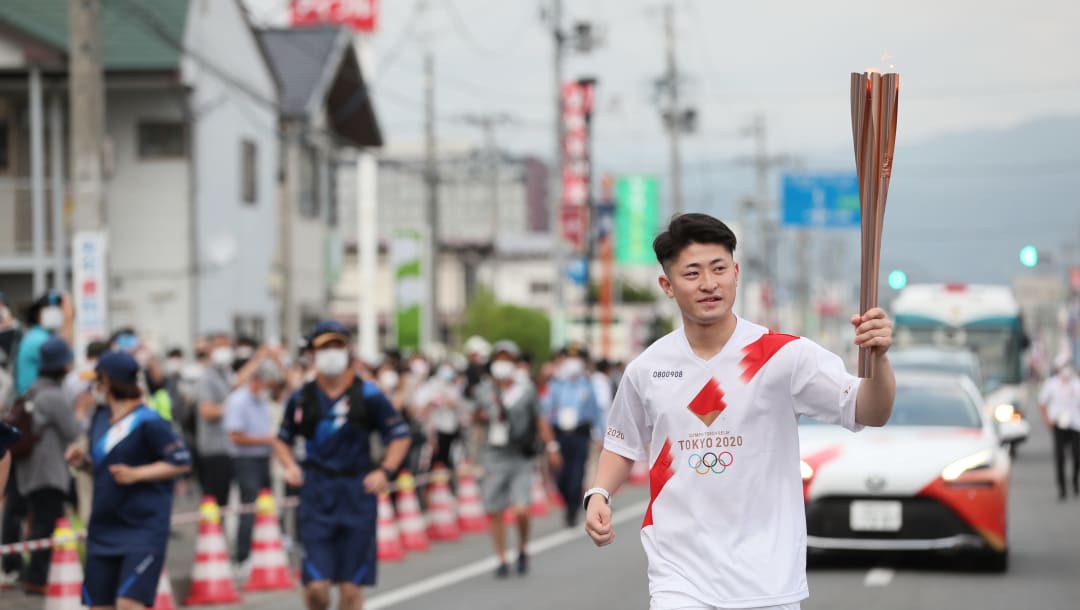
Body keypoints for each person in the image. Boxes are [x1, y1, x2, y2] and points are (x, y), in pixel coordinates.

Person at [583, 213, 895, 610]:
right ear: (667, 285)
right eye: (692, 273)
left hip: (766, 578)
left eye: (718, 268)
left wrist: (880, 360)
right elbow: (622, 443)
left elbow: (870, 409)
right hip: (679, 575)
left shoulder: (783, 356)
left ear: (736, 272)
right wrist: (599, 494)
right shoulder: (647, 368)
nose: (709, 283)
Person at [273, 321, 411, 610]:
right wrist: (289, 465)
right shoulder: (302, 397)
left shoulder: (369, 395)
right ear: (311, 354)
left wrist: (384, 471)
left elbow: (399, 435)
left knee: (350, 591)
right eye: (324, 347)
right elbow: (281, 439)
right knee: (317, 590)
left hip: (356, 493)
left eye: (337, 346)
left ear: (349, 351)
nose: (331, 353)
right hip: (316, 494)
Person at [65, 351, 191, 610]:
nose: (93, 387)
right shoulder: (100, 418)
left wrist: (138, 474)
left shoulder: (150, 421)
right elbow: (106, 467)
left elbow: (181, 461)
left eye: (96, 380)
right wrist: (83, 462)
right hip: (103, 528)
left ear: (108, 381)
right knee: (99, 606)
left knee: (129, 604)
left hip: (142, 529)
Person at [476, 340, 561, 578]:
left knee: (522, 509)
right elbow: (473, 419)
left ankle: (522, 548)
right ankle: (501, 558)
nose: (502, 364)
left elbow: (540, 419)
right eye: (499, 359)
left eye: (507, 360)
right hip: (493, 455)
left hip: (520, 455)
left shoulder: (525, 390)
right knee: (495, 509)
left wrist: (552, 446)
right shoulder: (484, 390)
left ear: (515, 364)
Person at [15, 337, 83, 594]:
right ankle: (37, 578)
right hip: (48, 472)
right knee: (46, 524)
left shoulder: (32, 390)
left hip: (29, 471)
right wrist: (82, 409)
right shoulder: (54, 395)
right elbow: (73, 431)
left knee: (40, 522)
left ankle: (35, 574)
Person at [224, 360, 280, 572]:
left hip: (263, 458)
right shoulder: (238, 401)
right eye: (265, 384)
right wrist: (266, 440)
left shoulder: (262, 400)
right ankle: (243, 554)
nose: (266, 389)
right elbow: (235, 436)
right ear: (256, 381)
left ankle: (264, 548)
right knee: (249, 506)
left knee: (267, 505)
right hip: (245, 459)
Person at [543, 343, 600, 527]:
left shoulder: (588, 384)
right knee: (560, 476)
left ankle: (573, 508)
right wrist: (549, 441)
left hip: (580, 434)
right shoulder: (555, 385)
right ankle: (567, 501)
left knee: (577, 473)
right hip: (559, 435)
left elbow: (595, 412)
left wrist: (600, 435)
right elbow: (545, 412)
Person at [1038, 354, 1080, 500]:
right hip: (1058, 424)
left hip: (1075, 424)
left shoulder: (1077, 384)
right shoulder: (1051, 384)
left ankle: (1075, 481)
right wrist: (1047, 420)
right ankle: (1062, 488)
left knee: (1077, 456)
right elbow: (1042, 404)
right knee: (1060, 457)